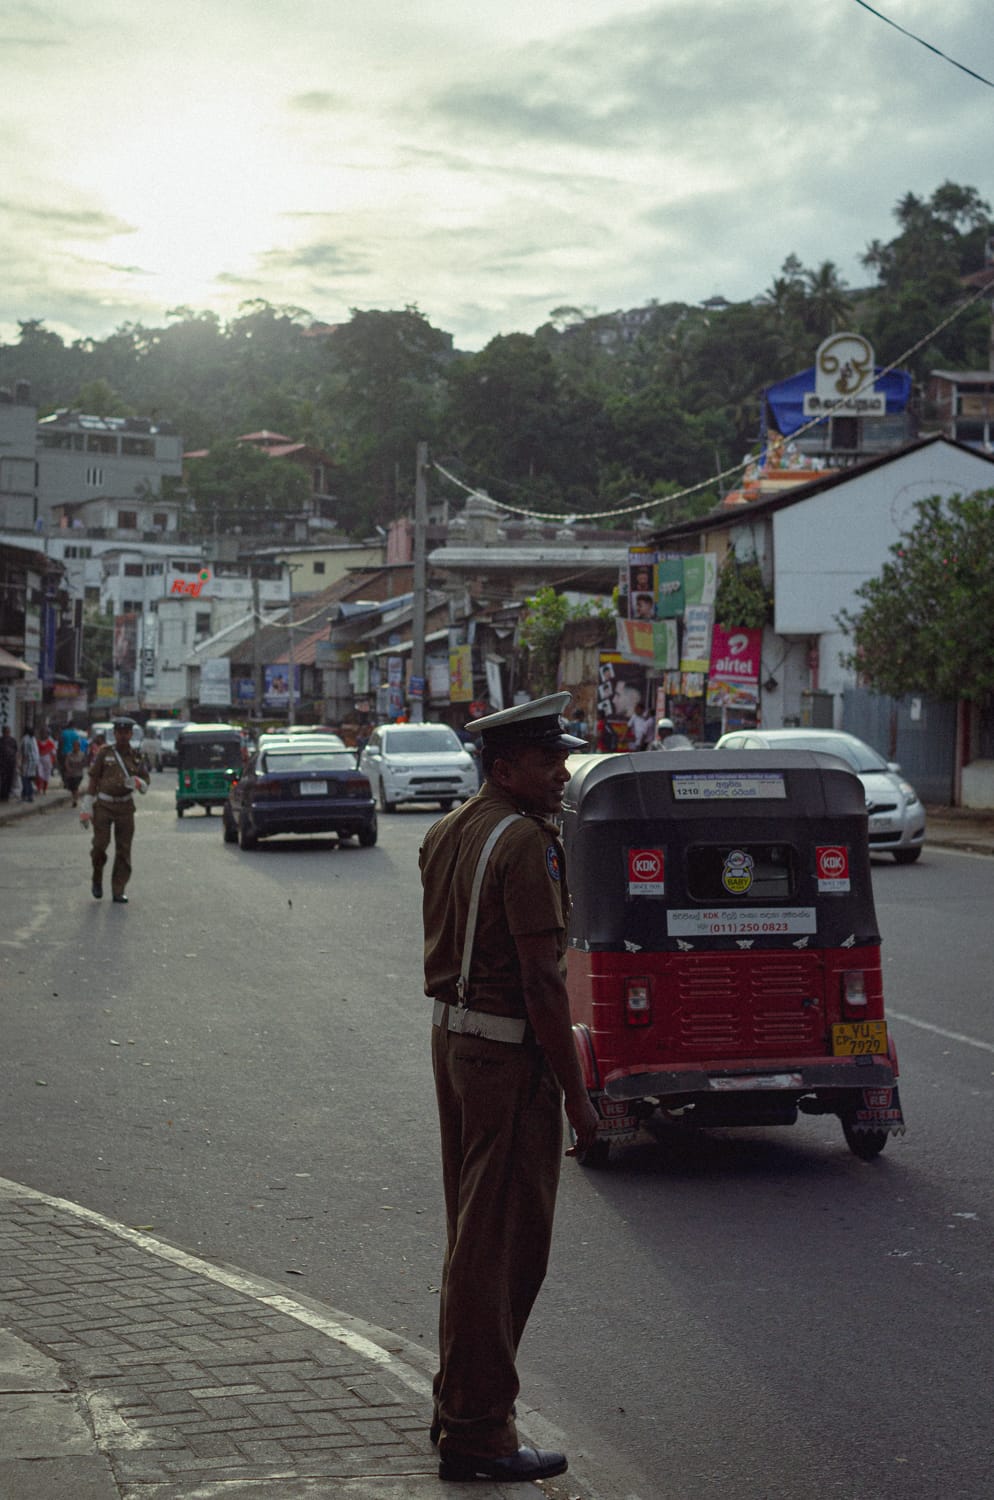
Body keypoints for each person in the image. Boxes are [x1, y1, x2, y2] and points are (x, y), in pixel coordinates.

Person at [420, 692, 598, 1485]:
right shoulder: (526, 842)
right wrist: (582, 1098)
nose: (561, 773)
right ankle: (479, 1432)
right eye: (546, 761)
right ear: (504, 768)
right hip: (507, 1061)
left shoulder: (449, 828)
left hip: (456, 1043)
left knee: (472, 1237)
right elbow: (542, 981)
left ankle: (458, 1404)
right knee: (501, 1250)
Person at [79, 717, 149, 903]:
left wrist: (139, 783)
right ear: (115, 734)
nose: (123, 736)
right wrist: (87, 806)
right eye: (120, 732)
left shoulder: (136, 756)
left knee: (124, 850)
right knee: (100, 845)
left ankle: (118, 889)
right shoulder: (104, 753)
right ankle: (97, 877)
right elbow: (94, 780)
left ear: (131, 734)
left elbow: (145, 783)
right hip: (104, 805)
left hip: (125, 807)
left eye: (126, 733)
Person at [62, 737, 87, 807]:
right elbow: (66, 763)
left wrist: (80, 765)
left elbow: (84, 763)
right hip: (71, 774)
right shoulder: (69, 754)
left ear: (79, 746)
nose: (75, 747)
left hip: (78, 774)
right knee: (72, 788)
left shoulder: (82, 754)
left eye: (77, 745)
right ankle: (74, 798)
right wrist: (68, 769)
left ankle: (75, 800)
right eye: (74, 745)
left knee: (75, 787)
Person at [18, 727, 39, 802]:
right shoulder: (33, 739)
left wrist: (21, 762)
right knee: (29, 779)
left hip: (28, 762)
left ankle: (28, 795)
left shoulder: (25, 739)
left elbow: (25, 752)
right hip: (34, 761)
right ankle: (25, 795)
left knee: (25, 778)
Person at [35, 727, 56, 794]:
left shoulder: (50, 743)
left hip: (48, 762)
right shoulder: (37, 742)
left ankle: (44, 789)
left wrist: (54, 760)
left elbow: (54, 753)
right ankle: (39, 789)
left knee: (46, 776)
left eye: (46, 733)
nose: (44, 735)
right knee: (39, 775)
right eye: (43, 733)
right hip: (39, 761)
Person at [0, 725, 17, 801]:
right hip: (2, 764)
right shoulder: (0, 740)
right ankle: (2, 795)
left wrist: (17, 762)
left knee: (9, 780)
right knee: (3, 780)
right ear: (2, 732)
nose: (7, 733)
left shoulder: (13, 740)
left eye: (8, 731)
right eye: (5, 731)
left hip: (11, 764)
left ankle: (6, 795)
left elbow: (16, 751)